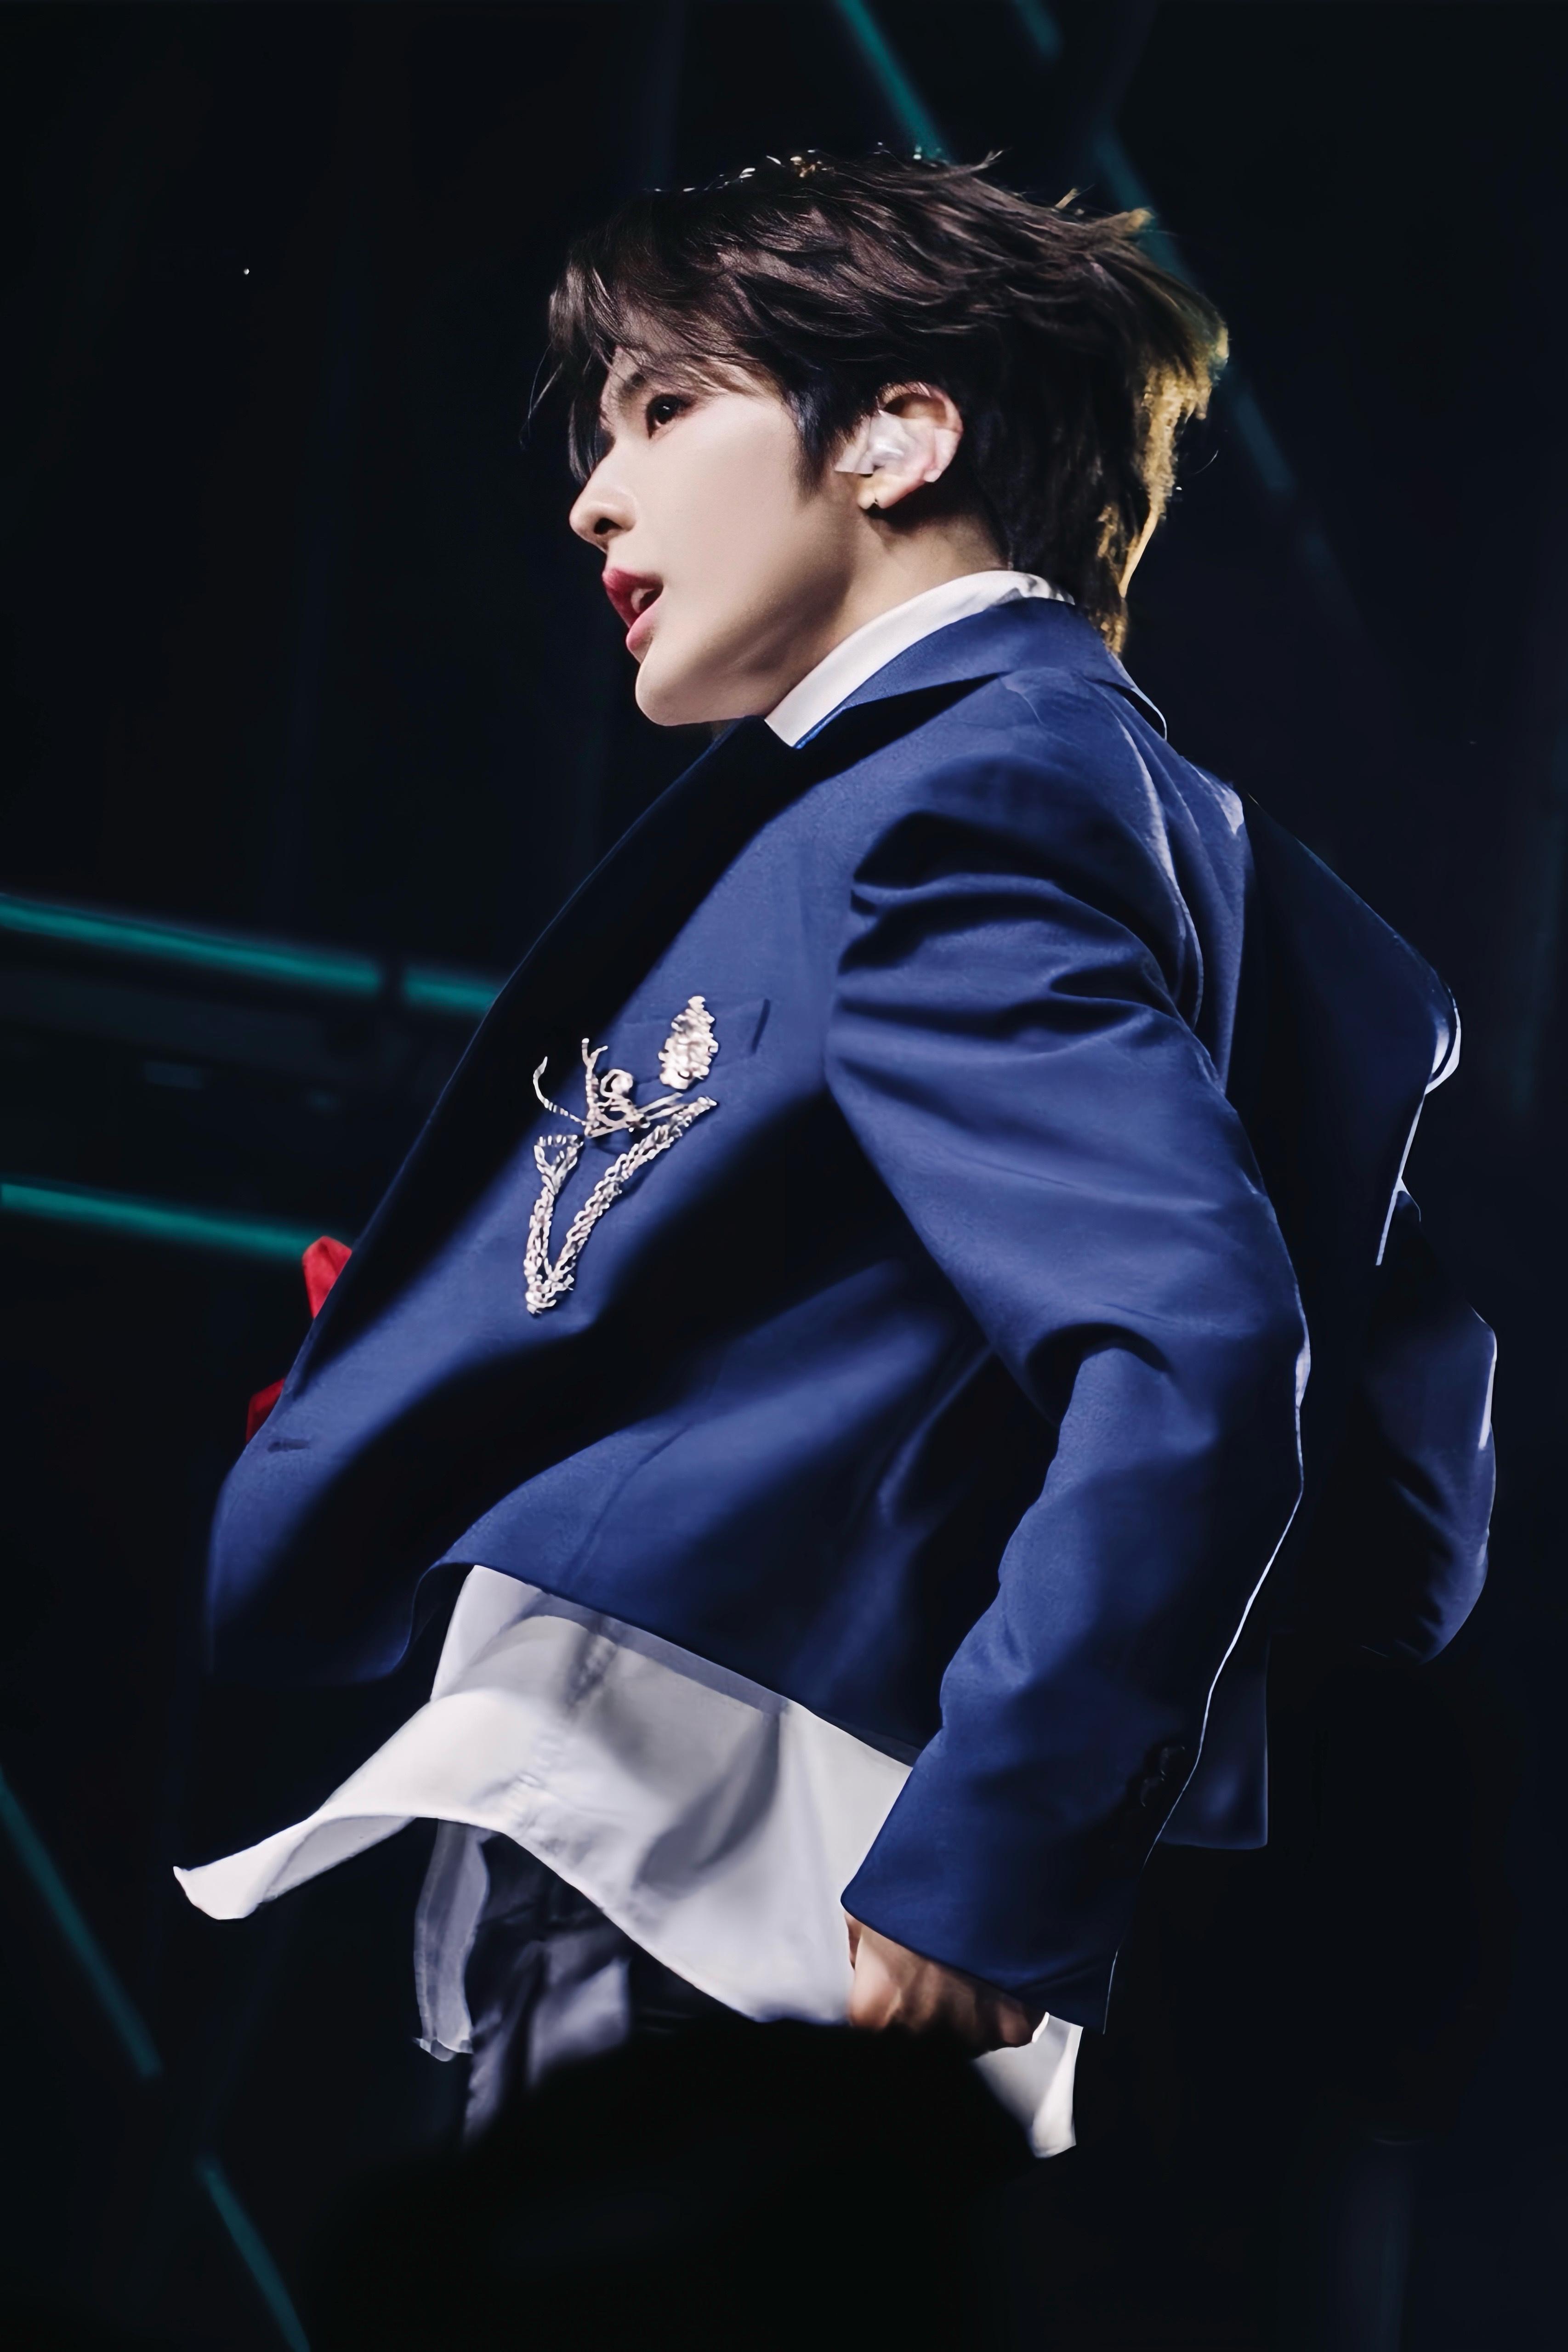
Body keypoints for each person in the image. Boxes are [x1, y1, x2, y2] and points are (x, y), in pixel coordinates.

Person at [176, 153, 1495, 2165]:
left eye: (662, 408)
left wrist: (996, 1849)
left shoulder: (961, 794)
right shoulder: (1098, 810)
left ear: (896, 435)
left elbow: (1202, 1353)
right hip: (750, 1874)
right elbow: (1396, 1506)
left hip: (723, 1888)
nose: (592, 496)